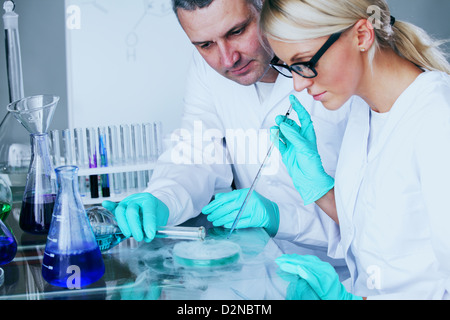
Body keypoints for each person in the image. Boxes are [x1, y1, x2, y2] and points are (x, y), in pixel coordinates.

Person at [102, 0, 357, 259]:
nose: (228, 59)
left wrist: (282, 218)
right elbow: (195, 153)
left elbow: (378, 218)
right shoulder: (207, 70)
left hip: (345, 273)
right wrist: (161, 199)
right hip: (261, 266)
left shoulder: (337, 60)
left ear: (267, 9)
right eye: (205, 45)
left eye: (236, 32)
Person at [261, 0, 450, 299]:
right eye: (288, 67)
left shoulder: (438, 119)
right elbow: (389, 233)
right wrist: (320, 188)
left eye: (305, 63)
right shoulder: (363, 110)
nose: (297, 84)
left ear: (362, 35)